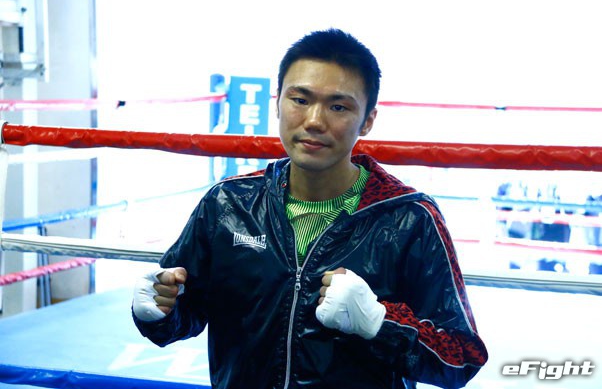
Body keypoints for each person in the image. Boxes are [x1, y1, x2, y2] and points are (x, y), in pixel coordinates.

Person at [132, 28, 488, 389]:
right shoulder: (228, 204)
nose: (315, 120)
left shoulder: (408, 218)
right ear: (277, 104)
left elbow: (461, 358)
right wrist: (159, 312)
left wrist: (379, 322)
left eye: (338, 106)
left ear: (367, 120)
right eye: (300, 99)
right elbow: (182, 313)